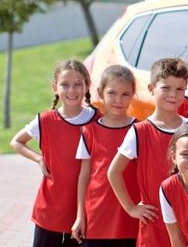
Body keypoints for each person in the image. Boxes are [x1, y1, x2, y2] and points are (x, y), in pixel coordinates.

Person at [10, 59, 98, 246]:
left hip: (85, 211)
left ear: (87, 85)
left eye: (77, 84)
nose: (72, 90)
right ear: (54, 87)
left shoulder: (98, 120)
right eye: (65, 85)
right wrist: (39, 159)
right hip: (50, 210)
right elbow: (16, 142)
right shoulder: (45, 120)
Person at [108, 58, 188, 247]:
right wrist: (130, 207)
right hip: (153, 223)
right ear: (152, 89)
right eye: (166, 88)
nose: (173, 95)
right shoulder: (140, 131)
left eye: (179, 89)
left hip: (187, 221)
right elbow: (113, 172)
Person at [72, 65, 139, 246]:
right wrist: (80, 215)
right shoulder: (89, 131)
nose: (118, 100)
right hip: (97, 216)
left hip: (130, 218)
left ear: (133, 94)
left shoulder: (141, 130)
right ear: (100, 93)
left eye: (125, 94)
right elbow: (84, 176)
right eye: (112, 93)